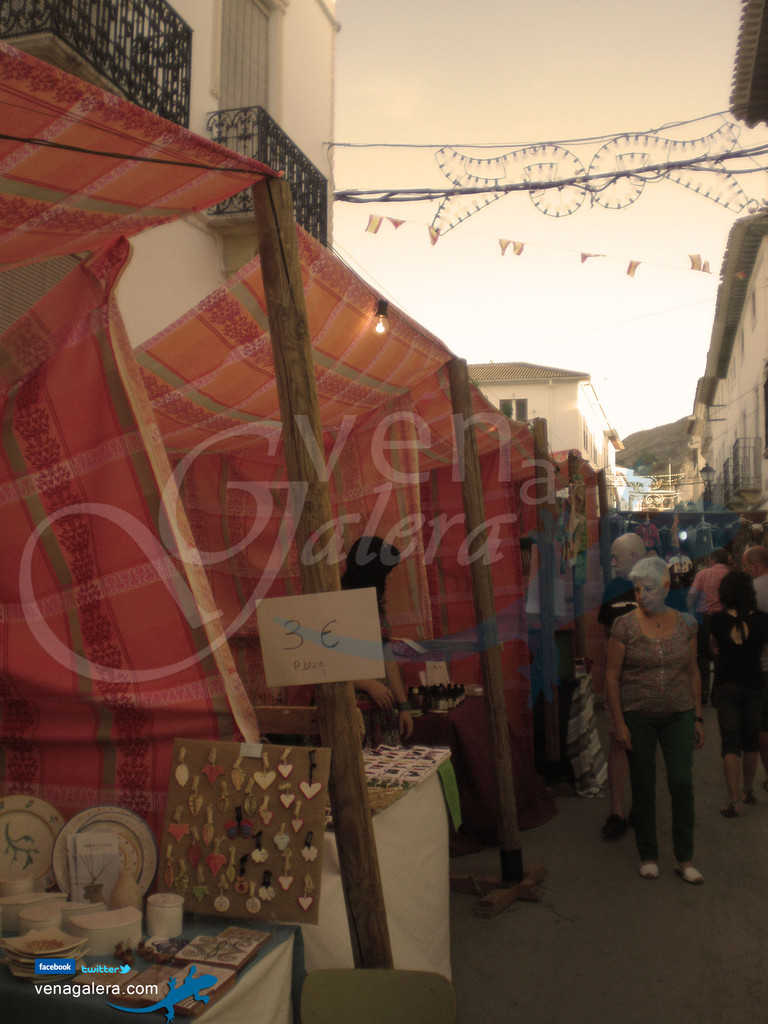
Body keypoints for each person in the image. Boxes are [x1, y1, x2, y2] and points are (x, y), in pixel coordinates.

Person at [604, 557, 705, 883]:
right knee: (644, 787)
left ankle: (685, 858)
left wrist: (699, 717)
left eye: (648, 588)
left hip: (679, 714)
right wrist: (619, 723)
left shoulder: (687, 625)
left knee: (681, 782)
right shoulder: (624, 626)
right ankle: (648, 854)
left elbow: (692, 672)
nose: (641, 595)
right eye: (637, 589)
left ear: (664, 587)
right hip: (638, 717)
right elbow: (611, 676)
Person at [340, 535, 414, 747]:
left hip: (380, 708)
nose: (389, 579)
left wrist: (404, 706)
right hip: (348, 709)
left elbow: (387, 657)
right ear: (372, 574)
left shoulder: (375, 609)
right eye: (385, 574)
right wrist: (368, 684)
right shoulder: (336, 606)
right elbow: (323, 665)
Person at [596, 532, 646, 839]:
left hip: (652, 682)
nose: (612, 562)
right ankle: (616, 811)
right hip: (621, 682)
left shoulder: (657, 586)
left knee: (646, 746)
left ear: (636, 558)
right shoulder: (613, 589)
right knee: (618, 741)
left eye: (617, 557)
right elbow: (606, 636)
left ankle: (641, 806)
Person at [709, 570, 768, 816]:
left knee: (730, 743)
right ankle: (748, 790)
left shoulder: (717, 619)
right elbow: (765, 651)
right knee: (751, 740)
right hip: (754, 683)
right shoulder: (764, 619)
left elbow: (713, 648)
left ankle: (732, 801)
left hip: (726, 684)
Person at [687, 548, 731, 705]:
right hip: (726, 619)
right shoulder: (731, 575)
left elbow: (691, 595)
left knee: (703, 655)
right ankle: (717, 693)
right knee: (722, 655)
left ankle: (703, 691)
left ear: (713, 560)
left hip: (705, 618)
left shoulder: (703, 574)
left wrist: (689, 612)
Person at [742, 545, 768, 790]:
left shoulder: (751, 592)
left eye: (746, 566)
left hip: (762, 666)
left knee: (763, 724)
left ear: (755, 567)